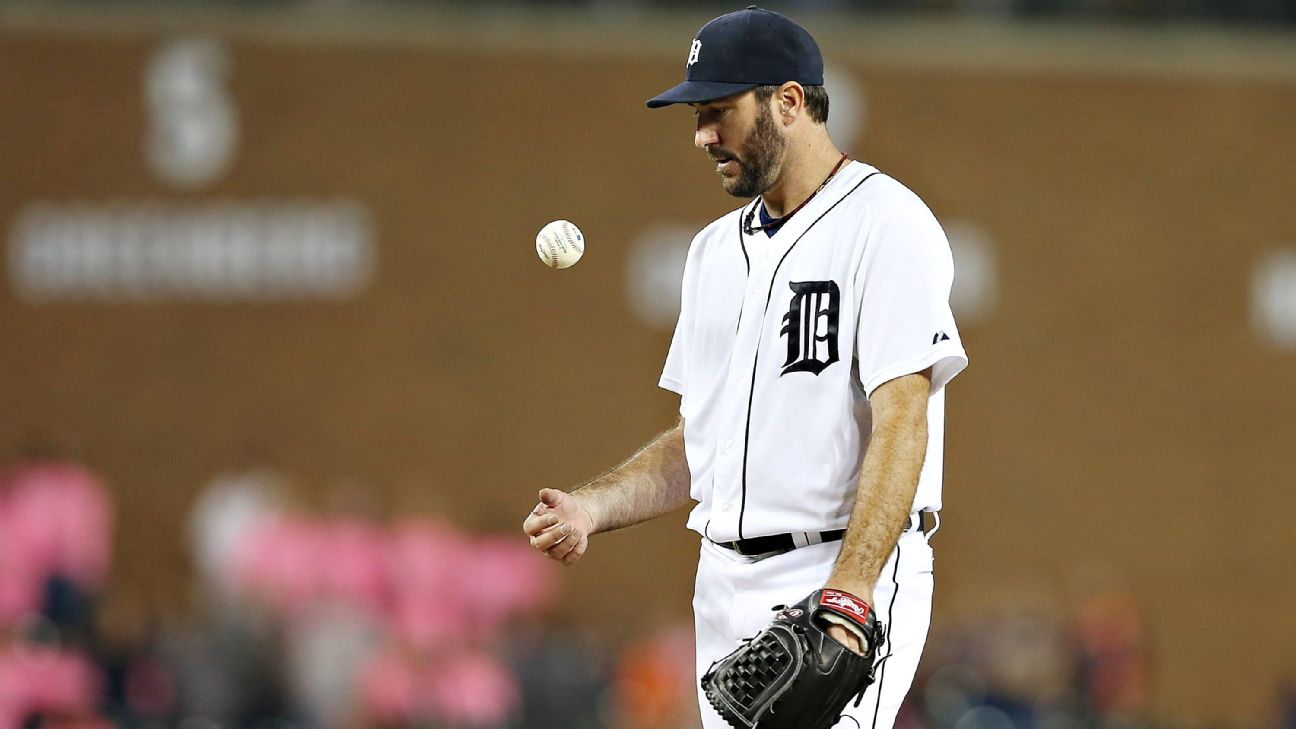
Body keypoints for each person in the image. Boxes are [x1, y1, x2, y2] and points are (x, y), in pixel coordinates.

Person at [522, 6, 968, 728]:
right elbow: (704, 438)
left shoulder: (888, 223)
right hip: (721, 581)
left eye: (719, 110)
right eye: (698, 114)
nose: (702, 135)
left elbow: (903, 418)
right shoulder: (711, 253)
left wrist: (851, 590)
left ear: (788, 102)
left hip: (835, 573)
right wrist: (591, 506)